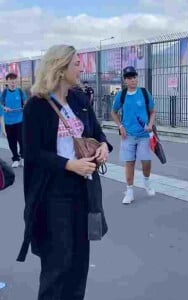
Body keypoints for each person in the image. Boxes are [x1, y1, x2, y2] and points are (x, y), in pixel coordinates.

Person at [16, 45, 112, 300]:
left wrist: (103, 146)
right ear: (60, 68)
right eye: (77, 64)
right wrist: (69, 165)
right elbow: (33, 152)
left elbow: (97, 131)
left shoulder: (80, 99)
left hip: (85, 190)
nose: (82, 68)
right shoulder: (36, 106)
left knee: (80, 262)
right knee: (58, 263)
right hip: (53, 194)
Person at [111, 66, 156, 204]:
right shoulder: (121, 95)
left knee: (146, 162)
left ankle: (146, 183)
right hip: (128, 135)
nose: (132, 80)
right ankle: (129, 192)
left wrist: (150, 125)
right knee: (129, 163)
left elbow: (153, 111)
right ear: (125, 80)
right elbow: (113, 112)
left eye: (134, 77)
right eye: (129, 78)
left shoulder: (144, 93)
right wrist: (120, 126)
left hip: (143, 135)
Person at [0, 72, 27, 168]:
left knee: (22, 140)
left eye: (14, 80)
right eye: (11, 80)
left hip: (20, 121)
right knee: (12, 142)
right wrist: (4, 108)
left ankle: (23, 157)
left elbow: (25, 102)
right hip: (8, 122)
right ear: (7, 81)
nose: (13, 82)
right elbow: (1, 104)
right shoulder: (4, 93)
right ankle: (15, 158)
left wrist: (25, 106)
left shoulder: (20, 91)